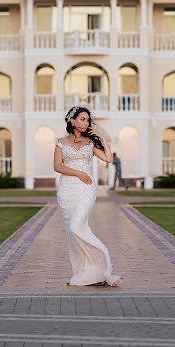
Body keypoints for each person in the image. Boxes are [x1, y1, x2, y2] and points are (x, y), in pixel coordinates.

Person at [54, 106, 123, 287]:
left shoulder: (90, 144)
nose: (85, 123)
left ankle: (103, 263)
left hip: (86, 188)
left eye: (87, 120)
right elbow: (58, 166)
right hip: (67, 191)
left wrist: (100, 137)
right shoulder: (61, 142)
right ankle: (88, 271)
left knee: (76, 227)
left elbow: (108, 159)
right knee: (73, 231)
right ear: (72, 121)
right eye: (82, 119)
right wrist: (78, 173)